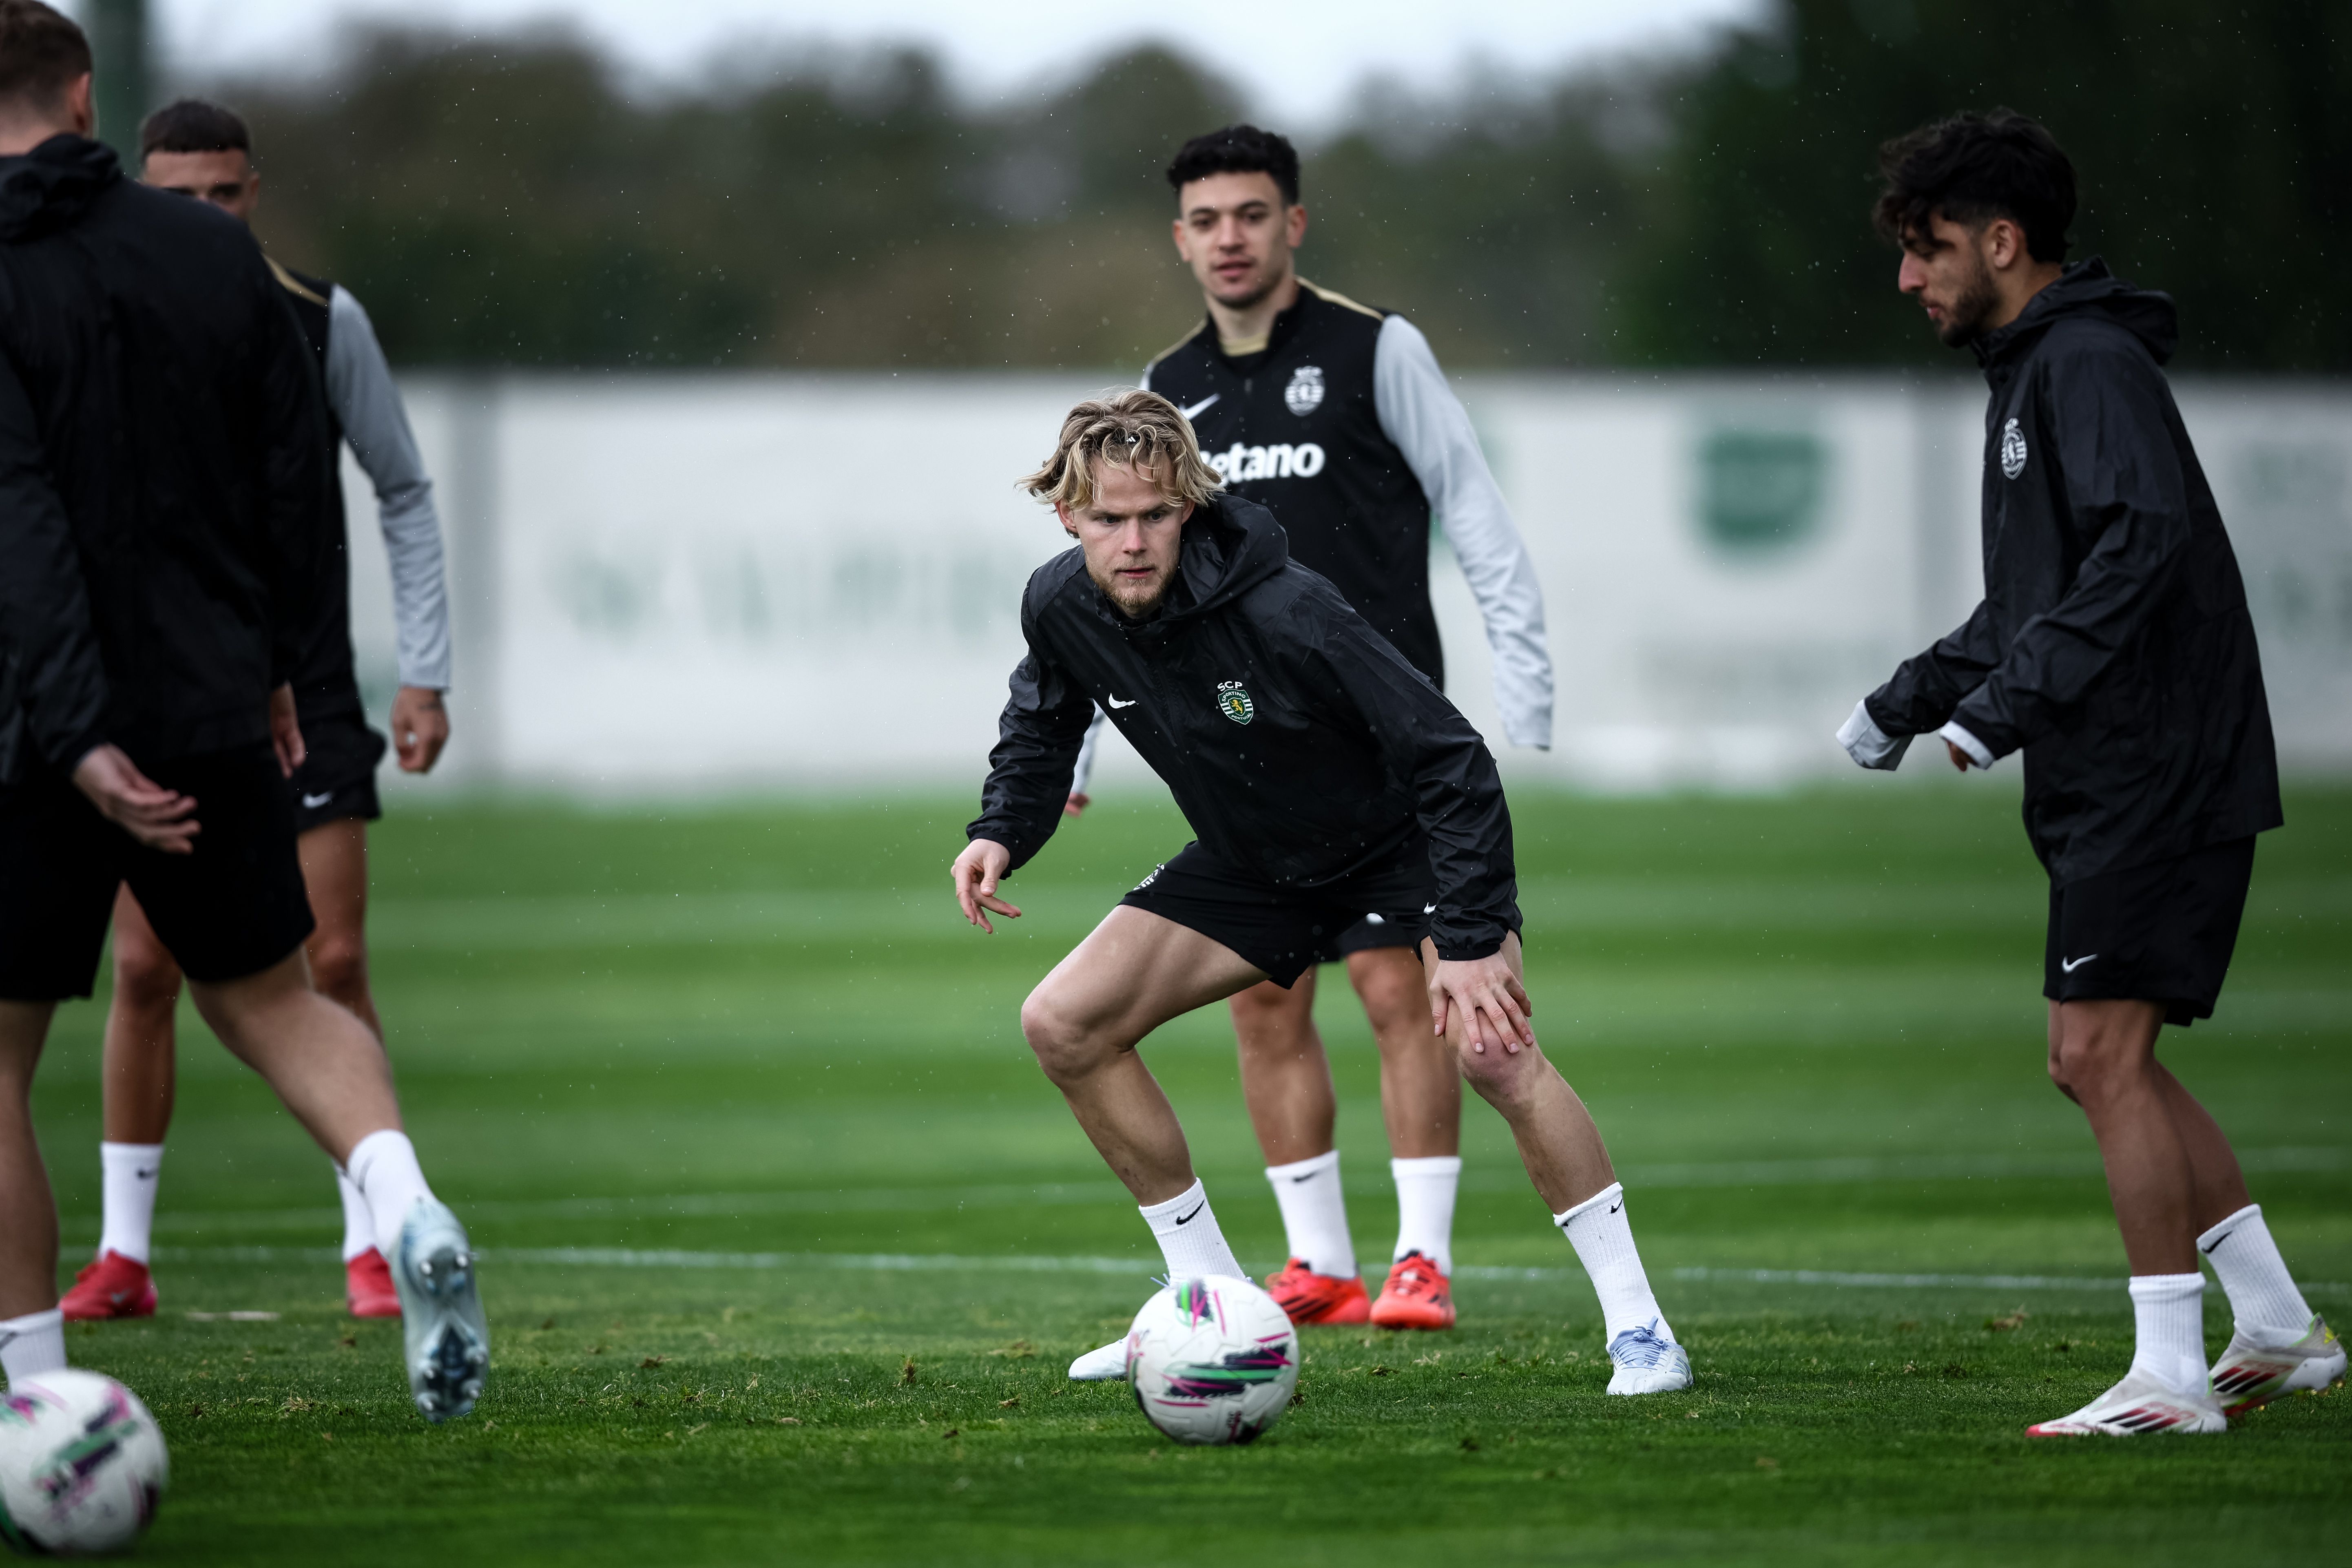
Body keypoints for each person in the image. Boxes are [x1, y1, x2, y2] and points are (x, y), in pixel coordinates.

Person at [953, 391, 1686, 1394]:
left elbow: (1452, 757)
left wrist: (1471, 936)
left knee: (1494, 1053)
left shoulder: (1285, 608)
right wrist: (1000, 828)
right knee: (1063, 1024)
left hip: (1400, 849)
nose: (1133, 541)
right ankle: (1206, 1306)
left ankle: (1642, 1331)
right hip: (1256, 862)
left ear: (1189, 507)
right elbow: (1041, 724)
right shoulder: (1059, 604)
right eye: (1109, 518)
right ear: (1067, 515)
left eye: (1156, 514)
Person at [0, 1, 484, 1420]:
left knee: (3, 1056)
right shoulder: (214, 254)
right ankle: (402, 1199)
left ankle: (36, 1399)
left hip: (38, 724)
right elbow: (285, 480)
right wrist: (273, 665)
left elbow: (21, 520)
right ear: (84, 99)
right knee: (276, 994)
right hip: (215, 692)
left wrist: (77, 732)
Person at [1837, 109, 2340, 1436]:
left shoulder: (2086, 363)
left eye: (1929, 248)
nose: (1910, 277)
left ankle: (2170, 1375)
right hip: (2124, 767)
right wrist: (1907, 699)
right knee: (2097, 1058)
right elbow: (2032, 601)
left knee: (2097, 1052)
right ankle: (2278, 1327)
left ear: (2002, 242)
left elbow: (2140, 547)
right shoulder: (2036, 368)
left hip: (2155, 767)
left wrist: (2003, 710)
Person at [1064, 124, 1554, 1331]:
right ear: (1180, 240)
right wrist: (1071, 747)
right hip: (1247, 747)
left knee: (1398, 987)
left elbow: (1471, 506)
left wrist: (1524, 684)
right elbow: (1114, 581)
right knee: (1264, 997)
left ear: (1293, 223)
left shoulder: (1375, 349)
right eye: (1206, 220)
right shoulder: (1167, 386)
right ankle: (1318, 1262)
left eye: (1251, 214)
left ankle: (1420, 1259)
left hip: (1379, 737)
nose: (1229, 238)